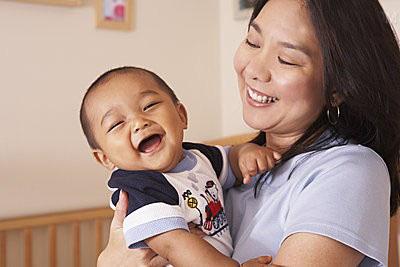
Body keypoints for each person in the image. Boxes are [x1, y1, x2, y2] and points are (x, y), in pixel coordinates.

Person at [97, 0, 400, 266]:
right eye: (253, 42)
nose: (255, 69)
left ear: (338, 89)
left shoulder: (350, 170)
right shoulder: (234, 169)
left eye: (287, 60)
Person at [79, 66, 280, 267]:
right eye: (116, 124)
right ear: (105, 158)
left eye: (149, 106)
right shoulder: (137, 188)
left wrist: (245, 154)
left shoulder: (197, 156)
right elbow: (174, 246)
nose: (139, 123)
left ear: (181, 115)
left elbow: (230, 161)